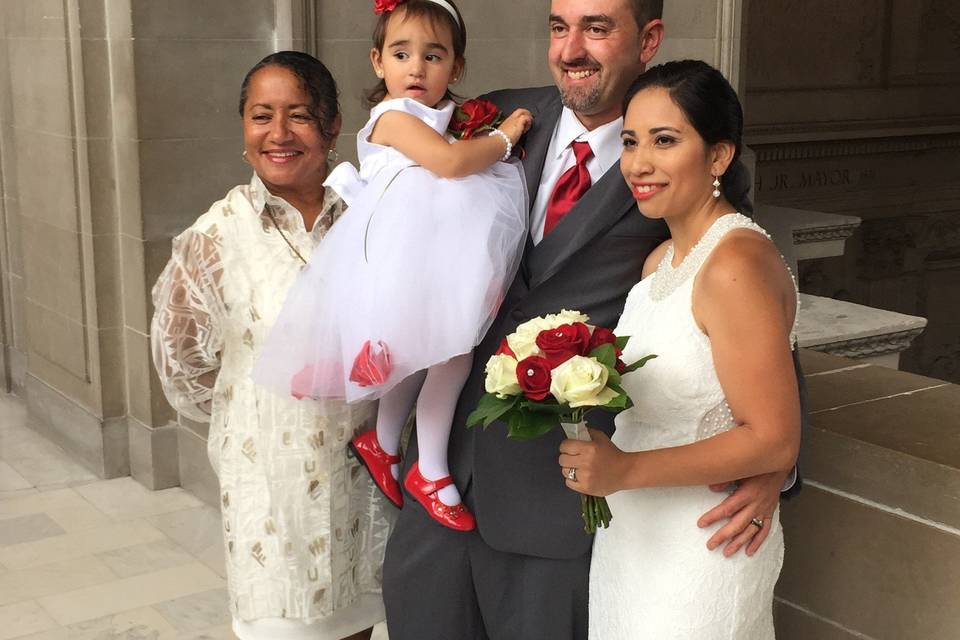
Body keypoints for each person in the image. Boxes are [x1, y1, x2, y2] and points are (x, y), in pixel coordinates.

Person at [382, 1, 805, 638]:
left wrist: (775, 465)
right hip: (440, 480)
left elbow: (753, 293)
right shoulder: (495, 119)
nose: (571, 49)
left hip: (561, 503)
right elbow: (395, 163)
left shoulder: (681, 167)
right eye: (559, 27)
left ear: (649, 38)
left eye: (598, 27)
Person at [253, 0, 532, 532]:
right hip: (401, 263)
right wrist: (504, 137)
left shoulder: (440, 117)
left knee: (423, 357)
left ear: (457, 66)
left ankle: (382, 443)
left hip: (429, 261)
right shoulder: (394, 116)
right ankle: (431, 470)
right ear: (378, 62)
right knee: (450, 358)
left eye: (433, 55)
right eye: (402, 54)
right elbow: (450, 164)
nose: (417, 68)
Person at [150, 52, 393, 640]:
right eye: (262, 116)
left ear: (333, 127)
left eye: (300, 116)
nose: (278, 134)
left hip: (364, 486)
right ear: (243, 126)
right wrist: (260, 415)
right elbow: (182, 369)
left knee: (362, 621)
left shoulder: (371, 216)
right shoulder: (216, 237)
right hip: (273, 497)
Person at [559, 59, 799, 639]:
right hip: (634, 539)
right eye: (631, 141)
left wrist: (623, 468)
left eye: (665, 141)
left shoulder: (735, 263)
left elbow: (773, 436)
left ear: (719, 156)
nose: (639, 164)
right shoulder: (658, 263)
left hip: (703, 544)